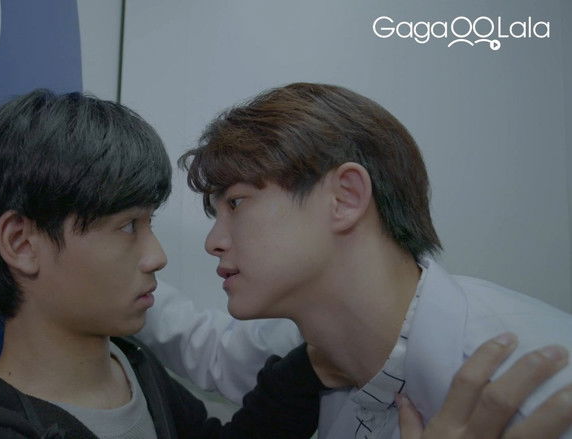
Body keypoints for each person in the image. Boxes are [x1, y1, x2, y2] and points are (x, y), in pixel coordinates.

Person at [136, 82, 572, 438]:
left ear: (345, 198)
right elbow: (211, 348)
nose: (213, 242)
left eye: (236, 203)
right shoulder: (321, 341)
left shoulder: (538, 392)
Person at [0, 89, 325, 438]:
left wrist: (306, 371)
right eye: (127, 226)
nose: (157, 256)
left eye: (149, 222)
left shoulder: (134, 367)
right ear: (22, 244)